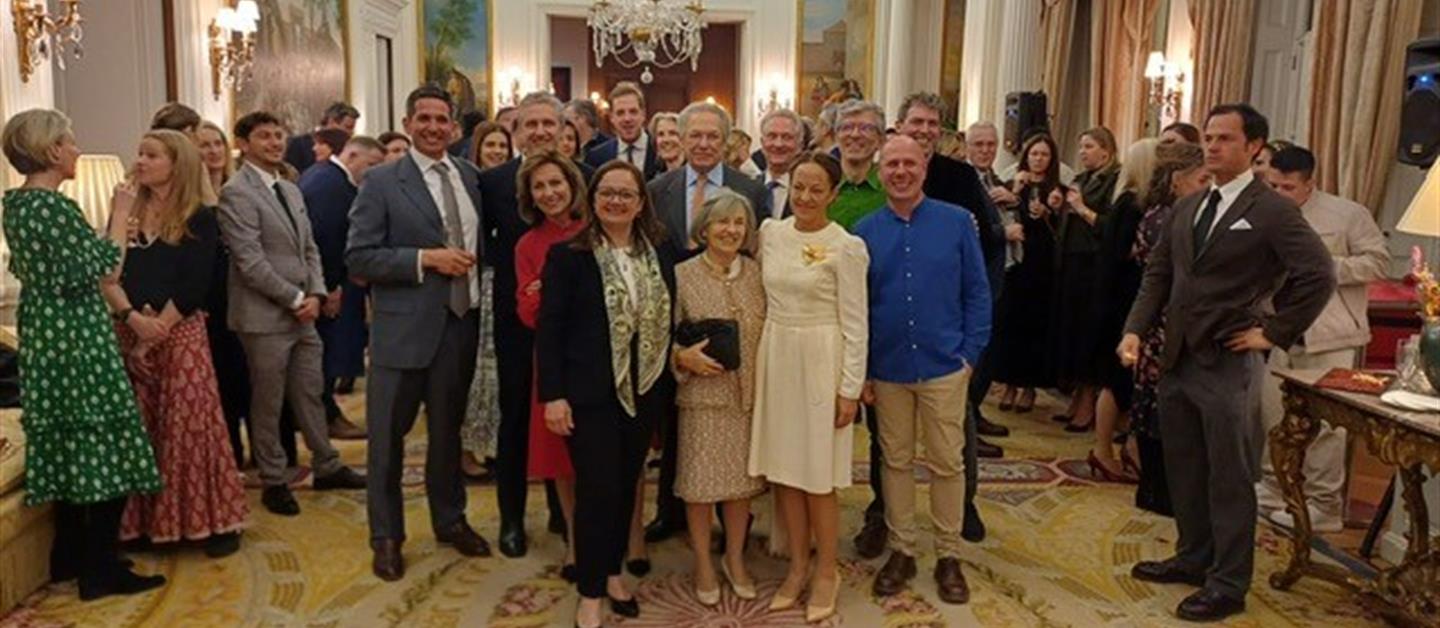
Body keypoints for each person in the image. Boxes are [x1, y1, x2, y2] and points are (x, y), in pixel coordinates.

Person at [1118, 104, 1335, 622]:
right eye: (1209, 137)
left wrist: (1273, 331)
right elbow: (1159, 275)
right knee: (1185, 467)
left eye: (1225, 138)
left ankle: (1229, 582)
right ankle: (1194, 557)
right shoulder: (1189, 206)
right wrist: (1133, 330)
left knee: (1230, 476)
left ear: (1254, 146)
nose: (1212, 146)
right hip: (1176, 359)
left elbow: (1318, 274)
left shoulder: (1272, 209)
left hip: (1228, 361)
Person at [2, 109, 166, 600]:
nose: (76, 150)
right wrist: (119, 213)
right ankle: (100, 569)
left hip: (44, 332)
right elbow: (107, 270)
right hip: (76, 334)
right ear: (53, 150)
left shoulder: (16, 205)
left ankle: (69, 557)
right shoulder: (53, 208)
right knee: (106, 440)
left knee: (69, 440)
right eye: (70, 142)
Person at [347, 85, 492, 581]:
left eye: (441, 119)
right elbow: (358, 258)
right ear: (408, 124)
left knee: (448, 436)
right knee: (387, 441)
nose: (433, 127)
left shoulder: (470, 177)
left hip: (459, 326)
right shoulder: (382, 181)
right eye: (423, 118)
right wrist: (426, 259)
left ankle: (450, 520)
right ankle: (386, 536)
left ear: (454, 126)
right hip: (401, 334)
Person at [536, 160, 676, 628]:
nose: (616, 201)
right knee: (596, 490)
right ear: (592, 200)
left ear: (640, 203)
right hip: (588, 394)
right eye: (607, 193)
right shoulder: (569, 255)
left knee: (624, 487)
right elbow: (550, 330)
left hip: (645, 391)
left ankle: (613, 573)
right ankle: (591, 592)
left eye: (625, 194)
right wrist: (553, 395)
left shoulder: (659, 250)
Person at [101, 129, 248, 557]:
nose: (141, 161)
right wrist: (131, 318)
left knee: (190, 429)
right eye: (140, 153)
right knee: (140, 429)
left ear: (176, 163)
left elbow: (194, 285)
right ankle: (146, 523)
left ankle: (211, 523)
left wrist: (153, 334)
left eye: (152, 155)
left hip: (179, 330)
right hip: (130, 325)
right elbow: (107, 274)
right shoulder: (126, 210)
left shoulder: (199, 215)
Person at [858, 134, 990, 606]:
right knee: (893, 461)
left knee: (947, 462)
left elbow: (977, 291)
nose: (900, 172)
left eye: (909, 163)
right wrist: (863, 370)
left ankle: (948, 554)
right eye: (891, 164)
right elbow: (858, 307)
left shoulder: (956, 223)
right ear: (880, 173)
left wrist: (969, 355)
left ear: (924, 168)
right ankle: (903, 550)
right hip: (888, 367)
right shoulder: (865, 231)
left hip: (944, 365)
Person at [218, 111, 367, 518]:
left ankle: (327, 464)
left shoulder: (290, 187)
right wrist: (296, 297)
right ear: (243, 144)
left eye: (278, 135)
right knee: (268, 401)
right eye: (263, 136)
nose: (274, 142)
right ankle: (274, 479)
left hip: (304, 312)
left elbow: (310, 248)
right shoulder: (236, 192)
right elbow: (249, 262)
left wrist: (316, 293)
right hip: (263, 316)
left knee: (310, 391)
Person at [749, 151, 868, 622]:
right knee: (785, 472)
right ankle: (797, 566)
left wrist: (849, 388)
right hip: (777, 354)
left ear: (833, 194)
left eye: (817, 189)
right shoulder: (770, 233)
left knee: (818, 477)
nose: (805, 196)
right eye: (799, 186)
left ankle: (825, 571)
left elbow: (856, 324)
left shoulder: (846, 246)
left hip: (822, 358)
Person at [645, 100, 768, 542]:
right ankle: (671, 512)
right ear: (680, 139)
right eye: (694, 135)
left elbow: (754, 250)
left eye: (712, 136)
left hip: (731, 314)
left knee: (731, 431)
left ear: (726, 140)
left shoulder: (750, 189)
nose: (702, 143)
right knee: (676, 423)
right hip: (674, 311)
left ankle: (734, 516)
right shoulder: (656, 189)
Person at [479, 91, 592, 559]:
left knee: (567, 418)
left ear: (564, 129)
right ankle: (511, 518)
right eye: (531, 124)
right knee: (516, 419)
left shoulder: (585, 178)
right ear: (516, 130)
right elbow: (486, 247)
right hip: (518, 323)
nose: (541, 132)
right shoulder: (491, 182)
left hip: (578, 330)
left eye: (549, 123)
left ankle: (562, 513)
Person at [1255, 145, 1388, 532]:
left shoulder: (1347, 214)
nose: (1280, 193)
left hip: (1331, 335)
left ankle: (1324, 503)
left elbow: (1379, 262)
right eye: (1273, 186)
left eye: (1289, 188)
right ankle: (1274, 488)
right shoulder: (1265, 213)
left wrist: (1324, 266)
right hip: (1281, 330)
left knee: (1328, 427)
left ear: (1309, 184)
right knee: (1273, 415)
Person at [895, 95, 1005, 545]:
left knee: (957, 431)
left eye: (932, 124)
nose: (924, 131)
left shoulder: (959, 177)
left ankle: (964, 506)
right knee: (892, 441)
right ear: (899, 125)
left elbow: (990, 242)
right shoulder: (889, 168)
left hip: (947, 329)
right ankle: (887, 513)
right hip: (894, 331)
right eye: (916, 122)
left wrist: (972, 343)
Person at [672, 191, 768, 605]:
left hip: (748, 399)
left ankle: (734, 558)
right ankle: (704, 565)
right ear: (705, 229)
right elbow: (661, 334)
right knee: (699, 488)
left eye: (739, 223)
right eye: (723, 222)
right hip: (702, 399)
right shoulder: (682, 274)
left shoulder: (756, 273)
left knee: (740, 488)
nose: (731, 230)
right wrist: (681, 357)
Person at [515, 151, 589, 580]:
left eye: (555, 183)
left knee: (601, 459)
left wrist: (548, 290)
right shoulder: (528, 245)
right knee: (563, 461)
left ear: (572, 184)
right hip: (554, 358)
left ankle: (608, 539)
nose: (549, 193)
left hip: (599, 357)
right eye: (539, 186)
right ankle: (576, 544)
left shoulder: (594, 228)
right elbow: (528, 313)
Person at [1128, 141, 1209, 516]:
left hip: (1161, 322)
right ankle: (1161, 492)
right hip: (1165, 323)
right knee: (1162, 409)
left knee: (1153, 406)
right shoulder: (1169, 219)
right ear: (1178, 180)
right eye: (1202, 180)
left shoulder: (1158, 212)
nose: (1208, 188)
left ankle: (1154, 490)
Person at [298, 136, 386, 439]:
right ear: (351, 155)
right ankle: (324, 417)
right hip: (322, 283)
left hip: (321, 280)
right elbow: (325, 239)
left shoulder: (325, 175)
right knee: (323, 354)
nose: (374, 173)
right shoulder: (331, 185)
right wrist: (330, 286)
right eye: (371, 165)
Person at [1089, 138, 1159, 482]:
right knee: (1116, 380)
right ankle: (1103, 450)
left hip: (1122, 298)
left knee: (1128, 382)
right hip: (1122, 301)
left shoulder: (1133, 201)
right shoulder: (1131, 204)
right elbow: (1120, 253)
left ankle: (1130, 449)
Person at [1052, 127, 1121, 432]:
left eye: (1089, 146)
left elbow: (1111, 226)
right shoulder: (1080, 179)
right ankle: (1078, 396)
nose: (1082, 152)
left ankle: (1088, 403)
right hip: (1072, 261)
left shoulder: (1114, 181)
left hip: (1094, 265)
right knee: (1073, 331)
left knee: (1089, 333)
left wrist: (1080, 208)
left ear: (1106, 150)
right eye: (1081, 146)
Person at [991, 134, 1062, 413]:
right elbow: (1001, 215)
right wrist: (1016, 193)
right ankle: (1009, 383)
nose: (1038, 159)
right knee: (1011, 322)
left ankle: (1029, 386)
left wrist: (1048, 212)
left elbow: (1060, 229)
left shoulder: (1057, 189)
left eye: (1044, 155)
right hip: (1016, 262)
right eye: (1034, 154)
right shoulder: (1013, 184)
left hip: (1041, 264)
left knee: (1035, 324)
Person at [585, 82, 662, 180]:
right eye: (620, 113)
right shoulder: (596, 157)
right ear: (611, 117)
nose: (627, 119)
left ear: (643, 114)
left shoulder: (660, 150)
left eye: (633, 112)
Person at [754, 108, 804, 219]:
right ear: (762, 143)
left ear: (799, 145)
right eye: (772, 136)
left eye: (787, 137)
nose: (778, 144)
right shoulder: (748, 188)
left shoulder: (808, 192)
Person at [284, 101, 359, 174]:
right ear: (331, 122)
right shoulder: (299, 144)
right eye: (348, 127)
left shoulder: (346, 148)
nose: (351, 133)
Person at [196, 121, 235, 193]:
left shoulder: (239, 184)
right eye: (205, 145)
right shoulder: (190, 191)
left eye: (218, 143)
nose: (214, 151)